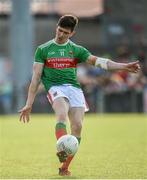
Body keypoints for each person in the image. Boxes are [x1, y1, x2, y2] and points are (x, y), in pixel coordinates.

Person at [19, 14, 140, 176]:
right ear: (56, 27)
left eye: (65, 32)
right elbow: (35, 79)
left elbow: (100, 62)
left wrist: (124, 66)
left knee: (78, 126)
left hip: (75, 89)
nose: (61, 34)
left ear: (72, 34)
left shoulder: (76, 50)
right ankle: (62, 151)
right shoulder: (43, 49)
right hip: (55, 88)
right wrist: (29, 103)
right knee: (61, 115)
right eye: (59, 30)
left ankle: (64, 167)